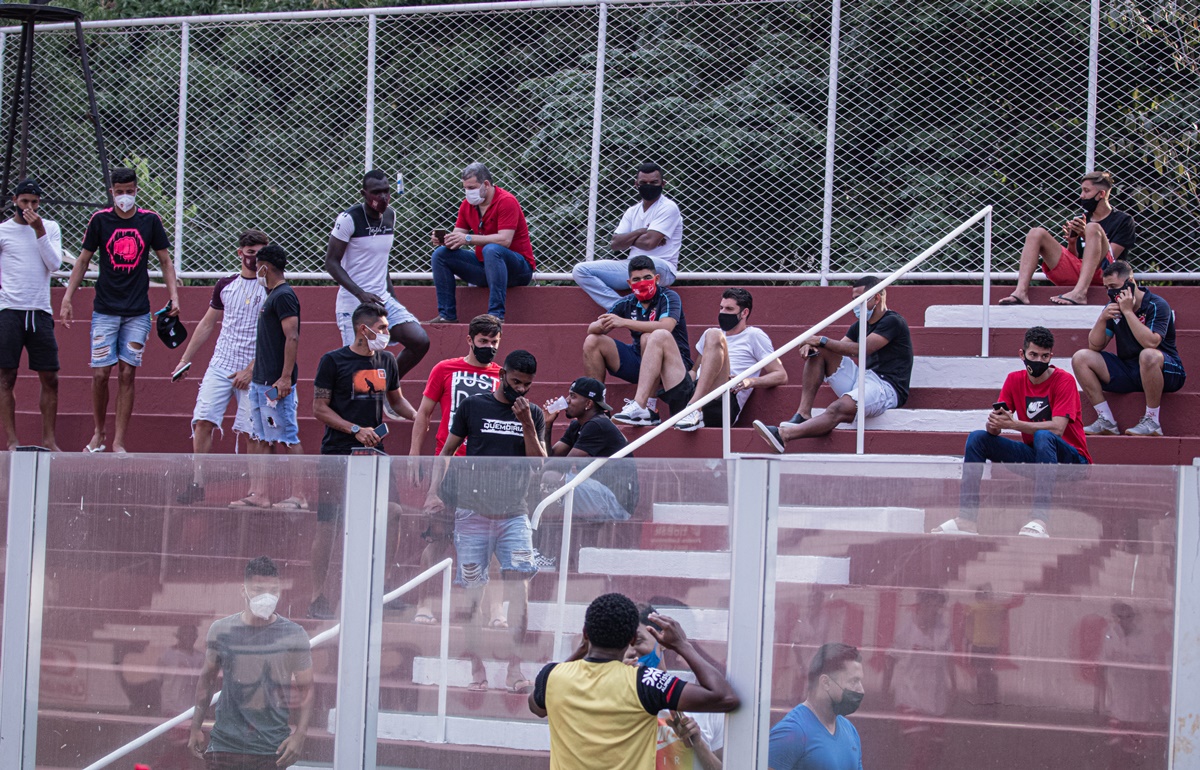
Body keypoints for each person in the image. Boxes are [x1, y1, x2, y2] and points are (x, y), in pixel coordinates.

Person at [435, 349, 547, 693]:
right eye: (515, 382)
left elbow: (539, 464)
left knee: (521, 592)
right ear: (502, 376)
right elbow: (448, 450)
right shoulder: (473, 406)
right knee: (472, 594)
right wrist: (436, 491)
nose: (521, 390)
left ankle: (515, 668)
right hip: (472, 512)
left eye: (527, 385)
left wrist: (527, 421)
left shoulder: (535, 413)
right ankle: (476, 667)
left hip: (514, 513)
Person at [529, 592, 739, 770]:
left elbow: (537, 707)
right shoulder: (645, 682)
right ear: (629, 639)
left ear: (586, 634)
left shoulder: (551, 676)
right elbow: (725, 697)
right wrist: (682, 645)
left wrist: (579, 651)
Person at [60, 166, 181, 453]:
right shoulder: (100, 220)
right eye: (120, 192)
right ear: (112, 192)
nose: (125, 196)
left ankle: (118, 441)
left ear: (136, 190)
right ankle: (99, 432)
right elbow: (81, 260)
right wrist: (67, 297)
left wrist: (174, 296)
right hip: (105, 309)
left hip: (138, 311)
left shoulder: (150, 221)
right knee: (101, 374)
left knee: (128, 373)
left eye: (130, 191)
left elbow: (165, 261)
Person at [309, 302, 416, 619]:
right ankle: (319, 596)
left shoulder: (386, 361)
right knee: (329, 523)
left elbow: (396, 401)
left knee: (393, 513)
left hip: (376, 453)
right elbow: (319, 408)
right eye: (383, 329)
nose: (387, 335)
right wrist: (354, 429)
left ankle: (380, 589)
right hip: (338, 452)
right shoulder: (333, 361)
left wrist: (422, 418)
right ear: (363, 329)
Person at [932, 326, 1091, 538]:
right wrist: (994, 424)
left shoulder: (1064, 380)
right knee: (977, 438)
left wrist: (1014, 425)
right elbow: (997, 427)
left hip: (1073, 462)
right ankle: (967, 519)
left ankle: (1039, 519)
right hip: (1036, 457)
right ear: (1022, 354)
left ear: (1051, 356)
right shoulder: (1014, 379)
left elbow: (1057, 428)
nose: (1038, 361)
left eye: (1044, 356)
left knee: (1044, 436)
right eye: (1033, 355)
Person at [408, 313, 504, 625]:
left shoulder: (502, 376)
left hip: (484, 469)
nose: (489, 346)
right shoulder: (445, 368)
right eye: (483, 341)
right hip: (447, 463)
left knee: (488, 541)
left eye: (494, 341)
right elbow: (423, 413)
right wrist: (414, 453)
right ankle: (424, 605)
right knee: (438, 536)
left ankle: (494, 612)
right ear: (470, 339)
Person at [753, 276, 911, 453]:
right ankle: (803, 414)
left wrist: (820, 339)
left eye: (859, 299)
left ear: (876, 298)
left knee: (838, 407)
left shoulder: (893, 321)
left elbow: (862, 349)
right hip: (864, 377)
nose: (855, 305)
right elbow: (837, 349)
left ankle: (784, 435)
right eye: (853, 300)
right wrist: (811, 345)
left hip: (887, 387)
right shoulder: (860, 325)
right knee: (820, 351)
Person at [188, 556, 313, 770]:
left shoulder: (294, 634)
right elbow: (206, 680)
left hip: (271, 749)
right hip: (225, 745)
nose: (267, 596)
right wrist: (195, 727)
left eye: (273, 590)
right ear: (243, 590)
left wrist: (300, 735)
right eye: (258, 589)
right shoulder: (222, 630)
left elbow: (307, 688)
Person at [172, 230, 269, 505]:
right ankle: (197, 482)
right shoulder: (225, 285)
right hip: (221, 362)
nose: (255, 258)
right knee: (202, 419)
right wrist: (185, 359)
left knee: (251, 430)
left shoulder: (272, 289)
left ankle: (255, 491)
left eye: (260, 253)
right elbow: (207, 323)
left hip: (254, 366)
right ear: (240, 253)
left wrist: (252, 368)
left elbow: (274, 336)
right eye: (250, 253)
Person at [324, 170, 429, 384]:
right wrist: (360, 293)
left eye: (386, 191)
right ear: (364, 193)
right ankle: (342, 413)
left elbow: (382, 262)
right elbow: (331, 263)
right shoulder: (348, 219)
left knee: (419, 340)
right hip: (354, 303)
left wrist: (393, 298)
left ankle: (386, 387)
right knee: (356, 369)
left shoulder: (391, 215)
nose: (382, 197)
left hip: (382, 299)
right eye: (376, 192)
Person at [1073, 260, 1185, 437]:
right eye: (1106, 288)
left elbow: (1151, 342)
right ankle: (1105, 420)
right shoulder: (1112, 307)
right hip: (1130, 370)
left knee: (1147, 355)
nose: (1111, 292)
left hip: (1166, 370)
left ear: (1130, 282)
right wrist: (1103, 319)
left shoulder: (1156, 305)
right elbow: (1095, 345)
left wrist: (1128, 312)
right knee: (1081, 357)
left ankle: (1152, 421)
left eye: (1114, 286)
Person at [582, 255, 693, 426]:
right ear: (629, 283)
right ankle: (597, 409)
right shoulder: (627, 302)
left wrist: (624, 322)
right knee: (593, 341)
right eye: (637, 279)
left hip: (673, 364)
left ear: (656, 279)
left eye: (647, 278)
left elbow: (667, 326)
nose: (642, 282)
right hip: (641, 361)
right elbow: (592, 329)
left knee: (649, 337)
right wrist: (602, 323)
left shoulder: (669, 297)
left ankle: (648, 407)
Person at [999, 171, 1135, 307]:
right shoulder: (1082, 217)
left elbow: (1112, 255)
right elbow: (1076, 259)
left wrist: (1085, 234)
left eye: (1086, 191)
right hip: (1080, 273)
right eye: (1082, 191)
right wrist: (1072, 242)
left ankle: (1080, 293)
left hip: (1107, 273)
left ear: (1102, 194)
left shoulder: (1123, 220)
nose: (1082, 196)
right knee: (1036, 233)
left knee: (1093, 228)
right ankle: (1021, 292)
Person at [238, 244, 307, 511]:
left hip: (276, 385)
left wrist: (285, 378)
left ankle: (298, 495)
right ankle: (261, 494)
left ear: (266, 267)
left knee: (288, 436)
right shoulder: (272, 296)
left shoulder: (284, 296)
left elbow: (292, 336)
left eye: (259, 265)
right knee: (264, 437)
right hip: (261, 382)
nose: (256, 270)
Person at [427, 162, 534, 323]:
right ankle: (446, 315)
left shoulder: (506, 201)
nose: (468, 192)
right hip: (486, 268)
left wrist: (468, 239)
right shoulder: (467, 205)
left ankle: (495, 315)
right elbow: (459, 234)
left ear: (486, 184)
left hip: (518, 269)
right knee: (440, 255)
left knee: (491, 249)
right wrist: (445, 240)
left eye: (472, 188)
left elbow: (505, 240)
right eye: (465, 188)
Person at [0, 179, 63, 450]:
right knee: (6, 375)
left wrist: (39, 232)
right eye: (24, 201)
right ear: (15, 201)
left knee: (50, 376)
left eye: (34, 202)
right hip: (9, 310)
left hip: (39, 310)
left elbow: (55, 265)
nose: (29, 207)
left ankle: (49, 439)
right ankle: (13, 441)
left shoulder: (49, 227)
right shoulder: (3, 231)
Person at [572, 162, 684, 309]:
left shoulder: (668, 207)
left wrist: (631, 239)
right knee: (580, 270)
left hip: (661, 267)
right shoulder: (632, 211)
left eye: (654, 182)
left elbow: (649, 243)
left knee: (647, 262)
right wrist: (640, 231)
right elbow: (615, 244)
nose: (648, 186)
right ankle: (621, 307)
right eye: (643, 183)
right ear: (636, 184)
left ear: (663, 184)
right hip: (632, 265)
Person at [674, 287, 787, 432]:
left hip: (723, 400)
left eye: (729, 309)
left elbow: (781, 374)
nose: (722, 313)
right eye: (721, 308)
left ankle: (693, 408)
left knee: (714, 334)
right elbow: (695, 370)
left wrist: (749, 381)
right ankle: (646, 408)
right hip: (696, 391)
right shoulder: (709, 335)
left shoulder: (754, 335)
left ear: (744, 313)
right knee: (659, 336)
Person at [542, 376, 638, 523]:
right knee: (548, 477)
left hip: (617, 505)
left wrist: (532, 475)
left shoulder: (597, 425)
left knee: (550, 478)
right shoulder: (578, 426)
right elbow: (552, 456)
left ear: (588, 403)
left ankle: (541, 538)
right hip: (599, 493)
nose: (567, 400)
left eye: (573, 396)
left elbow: (563, 464)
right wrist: (548, 426)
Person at [882, 590, 955, 770]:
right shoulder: (906, 629)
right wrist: (885, 688)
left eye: (938, 605)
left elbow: (950, 658)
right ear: (921, 603)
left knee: (935, 755)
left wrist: (954, 686)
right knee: (921, 748)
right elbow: (890, 658)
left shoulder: (943, 630)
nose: (935, 609)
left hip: (936, 699)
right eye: (931, 604)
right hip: (910, 697)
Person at [767, 642, 865, 770]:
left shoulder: (850, 731)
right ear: (826, 683)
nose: (861, 690)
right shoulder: (791, 732)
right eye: (853, 681)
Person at [1095, 602, 1169, 770]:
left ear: (1134, 616)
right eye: (1120, 617)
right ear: (1116, 617)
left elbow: (1153, 672)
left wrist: (1156, 703)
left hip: (1139, 705)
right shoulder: (1109, 635)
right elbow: (1101, 667)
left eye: (1128, 616)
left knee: (1136, 753)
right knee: (1116, 752)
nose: (1124, 621)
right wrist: (1099, 702)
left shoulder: (1145, 637)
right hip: (1117, 704)